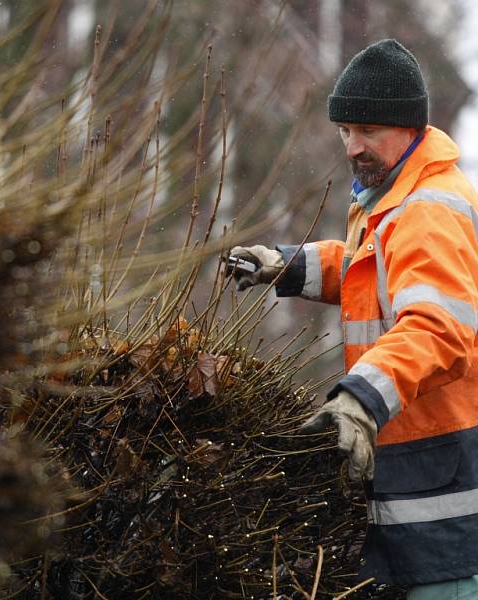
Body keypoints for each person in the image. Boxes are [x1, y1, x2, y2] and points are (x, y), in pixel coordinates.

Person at [230, 39, 478, 598]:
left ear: (409, 126)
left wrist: (360, 398)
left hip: (445, 495)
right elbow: (372, 271)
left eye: (367, 131)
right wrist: (288, 267)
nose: (352, 147)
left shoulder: (429, 210)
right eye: (345, 131)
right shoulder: (392, 199)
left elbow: (438, 328)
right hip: (416, 473)